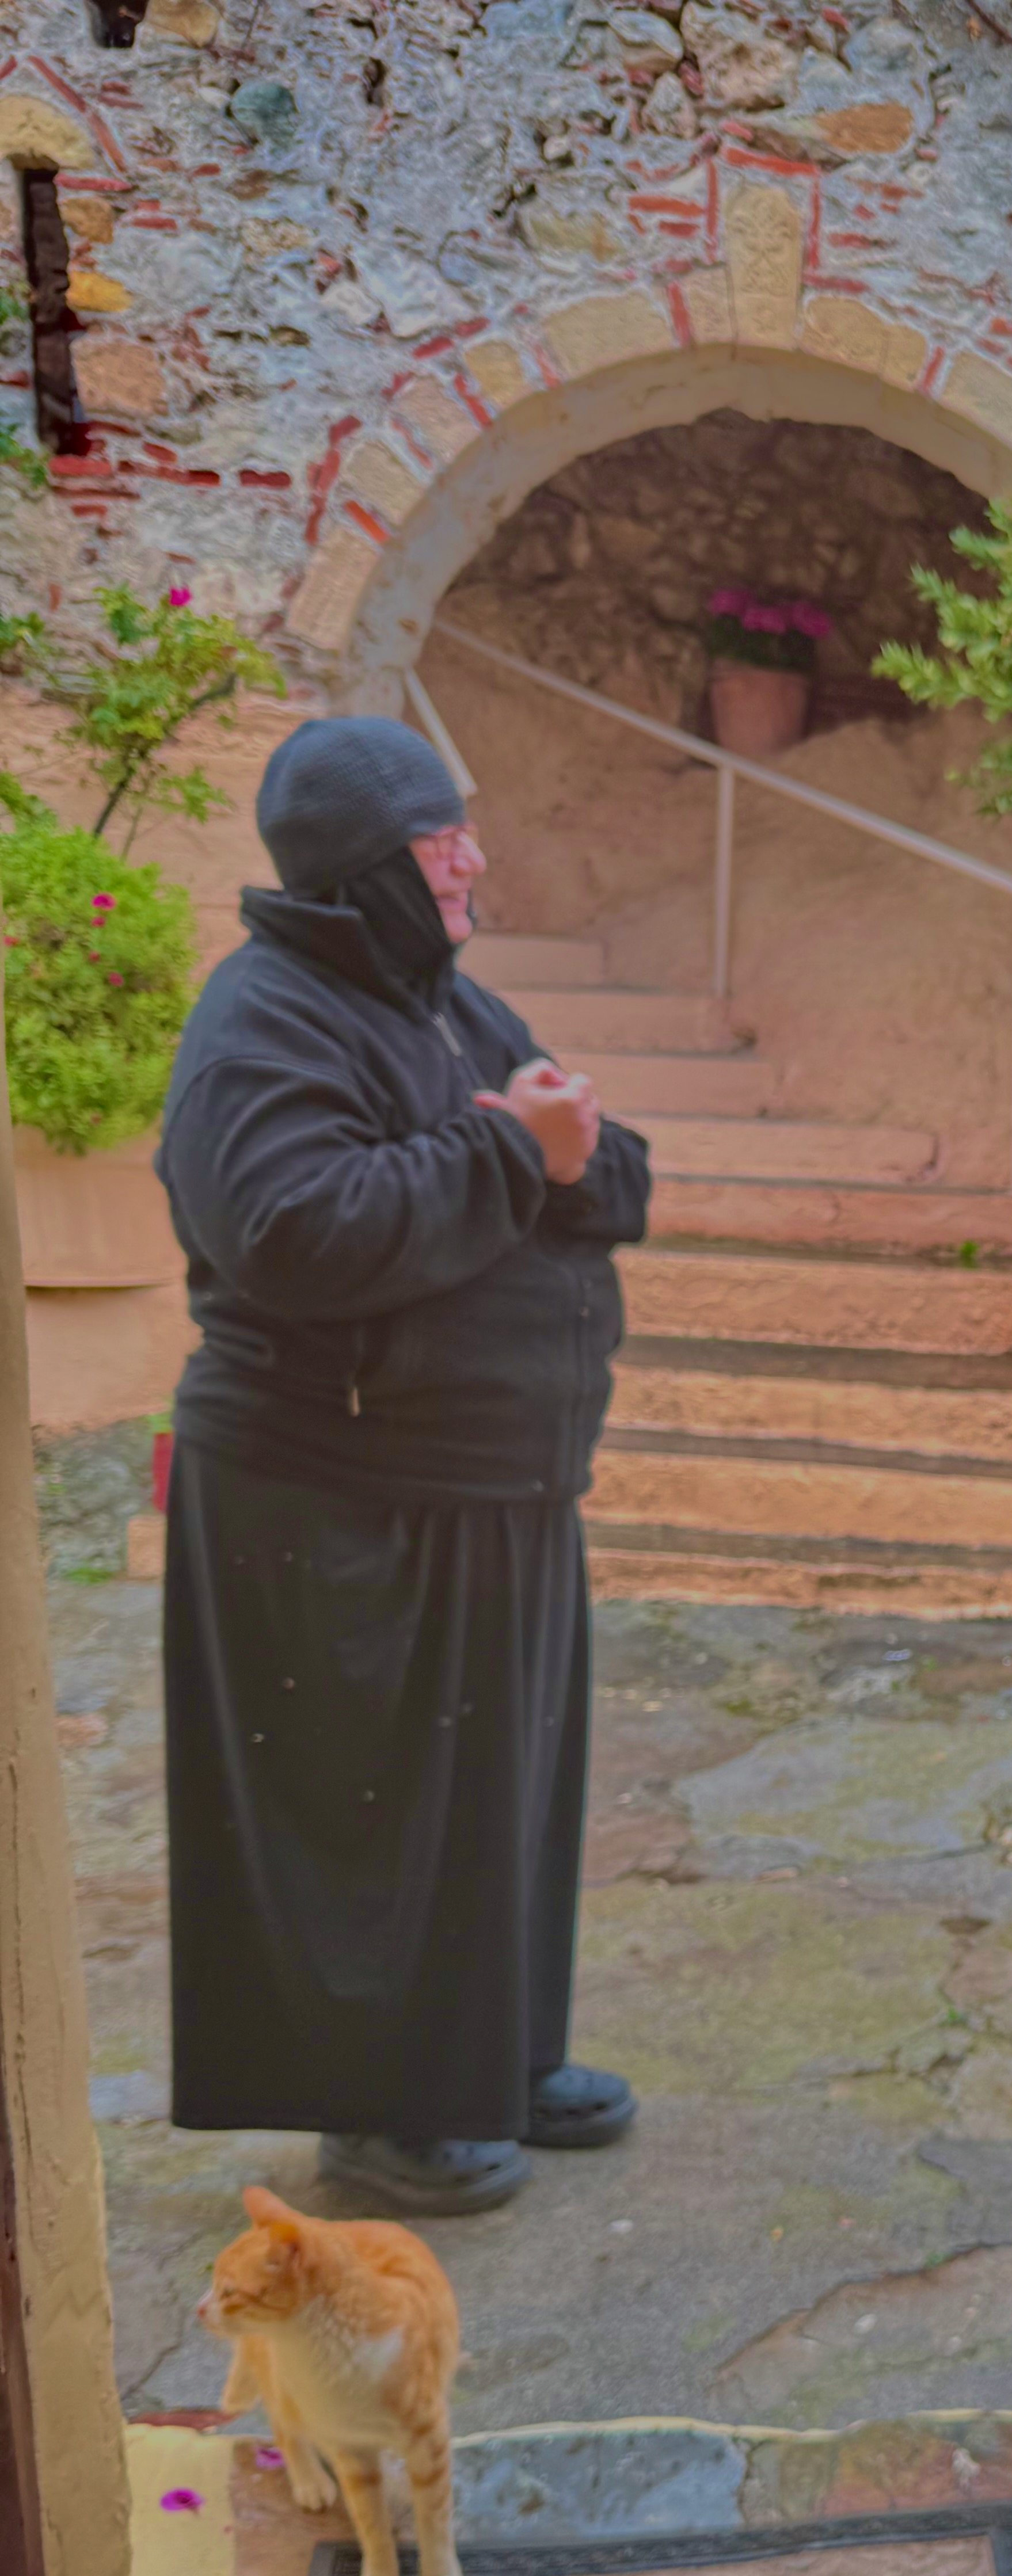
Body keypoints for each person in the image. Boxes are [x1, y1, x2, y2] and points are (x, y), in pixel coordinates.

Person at [156, 714, 651, 2215]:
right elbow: (295, 1230)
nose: (474, 861)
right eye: (448, 840)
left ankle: (487, 2062)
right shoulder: (262, 1018)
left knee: (494, 1801)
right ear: (374, 863)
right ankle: (381, 2117)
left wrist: (558, 1154)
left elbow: (593, 1165)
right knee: (373, 1816)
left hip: (483, 1479)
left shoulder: (445, 1003)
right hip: (336, 1490)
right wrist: (520, 1155)